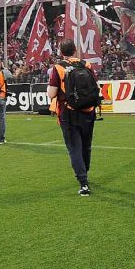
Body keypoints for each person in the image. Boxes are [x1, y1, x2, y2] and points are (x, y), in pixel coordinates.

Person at [47, 39, 99, 196]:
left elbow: (52, 93)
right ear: (75, 50)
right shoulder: (86, 65)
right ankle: (85, 173)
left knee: (74, 148)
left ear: (61, 52)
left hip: (68, 112)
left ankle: (83, 183)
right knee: (86, 145)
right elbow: (95, 86)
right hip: (88, 109)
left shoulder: (58, 68)